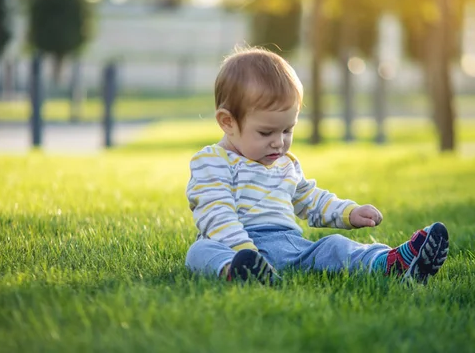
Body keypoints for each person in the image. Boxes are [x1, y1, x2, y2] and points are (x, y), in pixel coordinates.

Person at [185, 47, 449, 284]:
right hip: (234, 247)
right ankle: (238, 272)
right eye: (266, 133)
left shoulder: (285, 164)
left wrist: (349, 212)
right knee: (201, 251)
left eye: (288, 130)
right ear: (227, 122)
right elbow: (216, 213)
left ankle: (391, 263)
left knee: (333, 246)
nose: (279, 143)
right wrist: (243, 249)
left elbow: (311, 199)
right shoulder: (212, 162)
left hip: (288, 245)